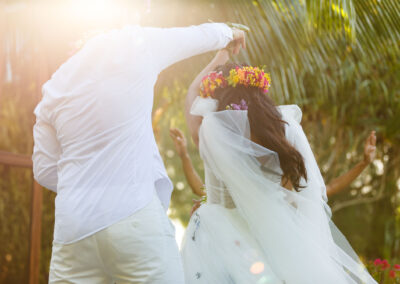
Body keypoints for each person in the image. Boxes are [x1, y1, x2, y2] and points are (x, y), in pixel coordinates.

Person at [32, 23, 245, 283]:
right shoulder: (133, 44)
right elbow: (190, 37)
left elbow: (43, 170)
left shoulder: (54, 86)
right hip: (134, 216)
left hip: (73, 230)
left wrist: (84, 184)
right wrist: (229, 33)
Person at [180, 48, 377, 283]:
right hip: (276, 238)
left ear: (219, 97)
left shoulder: (214, 132)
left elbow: (191, 95)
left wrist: (221, 55)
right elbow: (312, 193)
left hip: (223, 234)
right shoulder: (285, 129)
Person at [170, 128, 377, 200]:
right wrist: (184, 156)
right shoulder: (242, 188)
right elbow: (202, 190)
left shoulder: (289, 190)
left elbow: (329, 188)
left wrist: (363, 163)